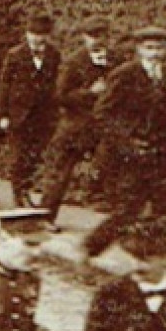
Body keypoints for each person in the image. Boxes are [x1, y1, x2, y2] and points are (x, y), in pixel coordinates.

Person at [82, 25, 166, 259]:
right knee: (128, 210)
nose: (154, 54)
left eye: (159, 48)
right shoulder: (125, 74)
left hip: (160, 151)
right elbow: (102, 114)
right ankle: (89, 249)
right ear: (139, 49)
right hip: (129, 153)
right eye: (149, 48)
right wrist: (127, 140)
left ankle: (158, 262)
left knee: (164, 205)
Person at [40, 18, 113, 227]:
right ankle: (46, 217)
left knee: (116, 169)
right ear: (84, 38)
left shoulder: (115, 60)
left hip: (105, 126)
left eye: (102, 36)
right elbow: (60, 96)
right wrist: (90, 93)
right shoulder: (74, 62)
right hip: (76, 125)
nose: (98, 41)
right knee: (60, 173)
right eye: (92, 36)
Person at [0, 13, 63, 208]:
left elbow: (53, 85)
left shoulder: (53, 55)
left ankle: (27, 186)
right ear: (26, 34)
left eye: (42, 34)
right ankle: (19, 194)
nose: (37, 38)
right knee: (18, 154)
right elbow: (4, 85)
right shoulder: (15, 55)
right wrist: (3, 114)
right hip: (18, 114)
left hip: (42, 114)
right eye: (33, 33)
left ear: (48, 35)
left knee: (34, 153)